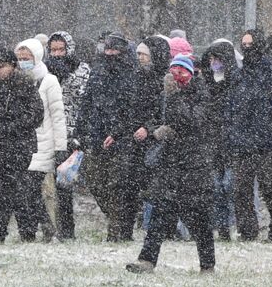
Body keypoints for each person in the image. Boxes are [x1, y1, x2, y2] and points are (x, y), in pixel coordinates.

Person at [126, 55, 218, 274]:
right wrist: (154, 129)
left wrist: (175, 100)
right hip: (171, 164)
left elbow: (193, 122)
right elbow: (160, 117)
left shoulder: (201, 94)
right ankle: (147, 260)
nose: (176, 75)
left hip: (194, 165)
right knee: (160, 214)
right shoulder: (166, 94)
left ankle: (207, 264)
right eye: (173, 70)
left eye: (181, 71)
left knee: (199, 219)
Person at [81, 33, 154, 242]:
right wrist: (82, 130)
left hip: (123, 140)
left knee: (118, 186)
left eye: (115, 50)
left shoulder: (134, 75)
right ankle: (116, 221)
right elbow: (88, 102)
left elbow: (134, 109)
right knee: (96, 182)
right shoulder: (98, 73)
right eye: (107, 49)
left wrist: (118, 132)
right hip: (97, 136)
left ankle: (116, 233)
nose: (110, 53)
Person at [225, 29, 272, 241]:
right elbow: (232, 107)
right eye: (243, 44)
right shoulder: (238, 75)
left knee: (270, 189)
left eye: (250, 44)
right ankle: (248, 230)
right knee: (240, 190)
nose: (246, 48)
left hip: (266, 142)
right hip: (242, 142)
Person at [0, 47, 45, 243]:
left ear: (12, 66)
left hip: (20, 143)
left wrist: (12, 126)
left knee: (12, 186)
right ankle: (25, 230)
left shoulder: (24, 84)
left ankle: (4, 231)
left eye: (1, 66)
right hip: (0, 144)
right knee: (12, 188)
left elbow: (36, 114)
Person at [17, 38, 68, 241]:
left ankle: (47, 226)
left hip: (44, 142)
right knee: (25, 190)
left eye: (26, 58)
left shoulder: (49, 81)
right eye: (20, 58)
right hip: (24, 143)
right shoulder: (18, 80)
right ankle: (34, 228)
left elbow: (57, 116)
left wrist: (60, 146)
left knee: (30, 187)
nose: (23, 62)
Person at [45, 31, 89, 240]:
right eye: (53, 50)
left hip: (71, 133)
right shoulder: (44, 71)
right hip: (47, 131)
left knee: (64, 184)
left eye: (61, 49)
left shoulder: (81, 70)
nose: (57, 54)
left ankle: (67, 230)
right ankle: (50, 228)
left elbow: (84, 101)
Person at [199, 39, 238, 241]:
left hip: (230, 142)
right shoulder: (205, 83)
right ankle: (220, 226)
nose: (214, 62)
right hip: (212, 141)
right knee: (214, 187)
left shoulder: (235, 82)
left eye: (218, 58)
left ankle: (231, 225)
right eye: (212, 58)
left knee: (229, 186)